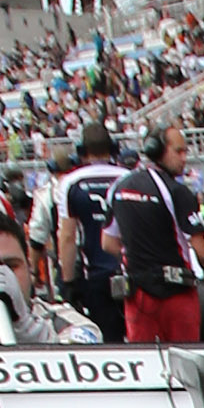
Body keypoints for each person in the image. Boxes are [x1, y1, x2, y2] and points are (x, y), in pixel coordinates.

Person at [113, 125, 204, 347]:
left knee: (144, 359)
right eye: (179, 151)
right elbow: (202, 251)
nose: (184, 158)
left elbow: (108, 242)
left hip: (137, 292)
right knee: (185, 357)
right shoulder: (177, 191)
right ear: (156, 149)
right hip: (177, 294)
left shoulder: (120, 187)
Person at [52, 129, 126, 334]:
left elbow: (67, 236)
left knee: (106, 336)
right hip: (129, 269)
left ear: (82, 151)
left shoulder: (71, 182)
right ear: (113, 149)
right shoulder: (128, 177)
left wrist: (68, 282)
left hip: (94, 273)